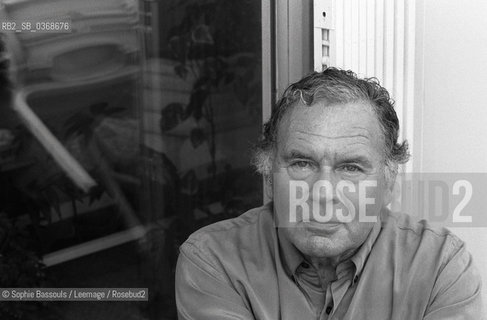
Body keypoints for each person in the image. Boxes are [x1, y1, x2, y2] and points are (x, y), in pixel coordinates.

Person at [175, 68, 483, 319]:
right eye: (301, 163)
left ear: (388, 183)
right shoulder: (214, 260)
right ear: (269, 176)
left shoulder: (439, 267)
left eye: (350, 168)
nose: (323, 194)